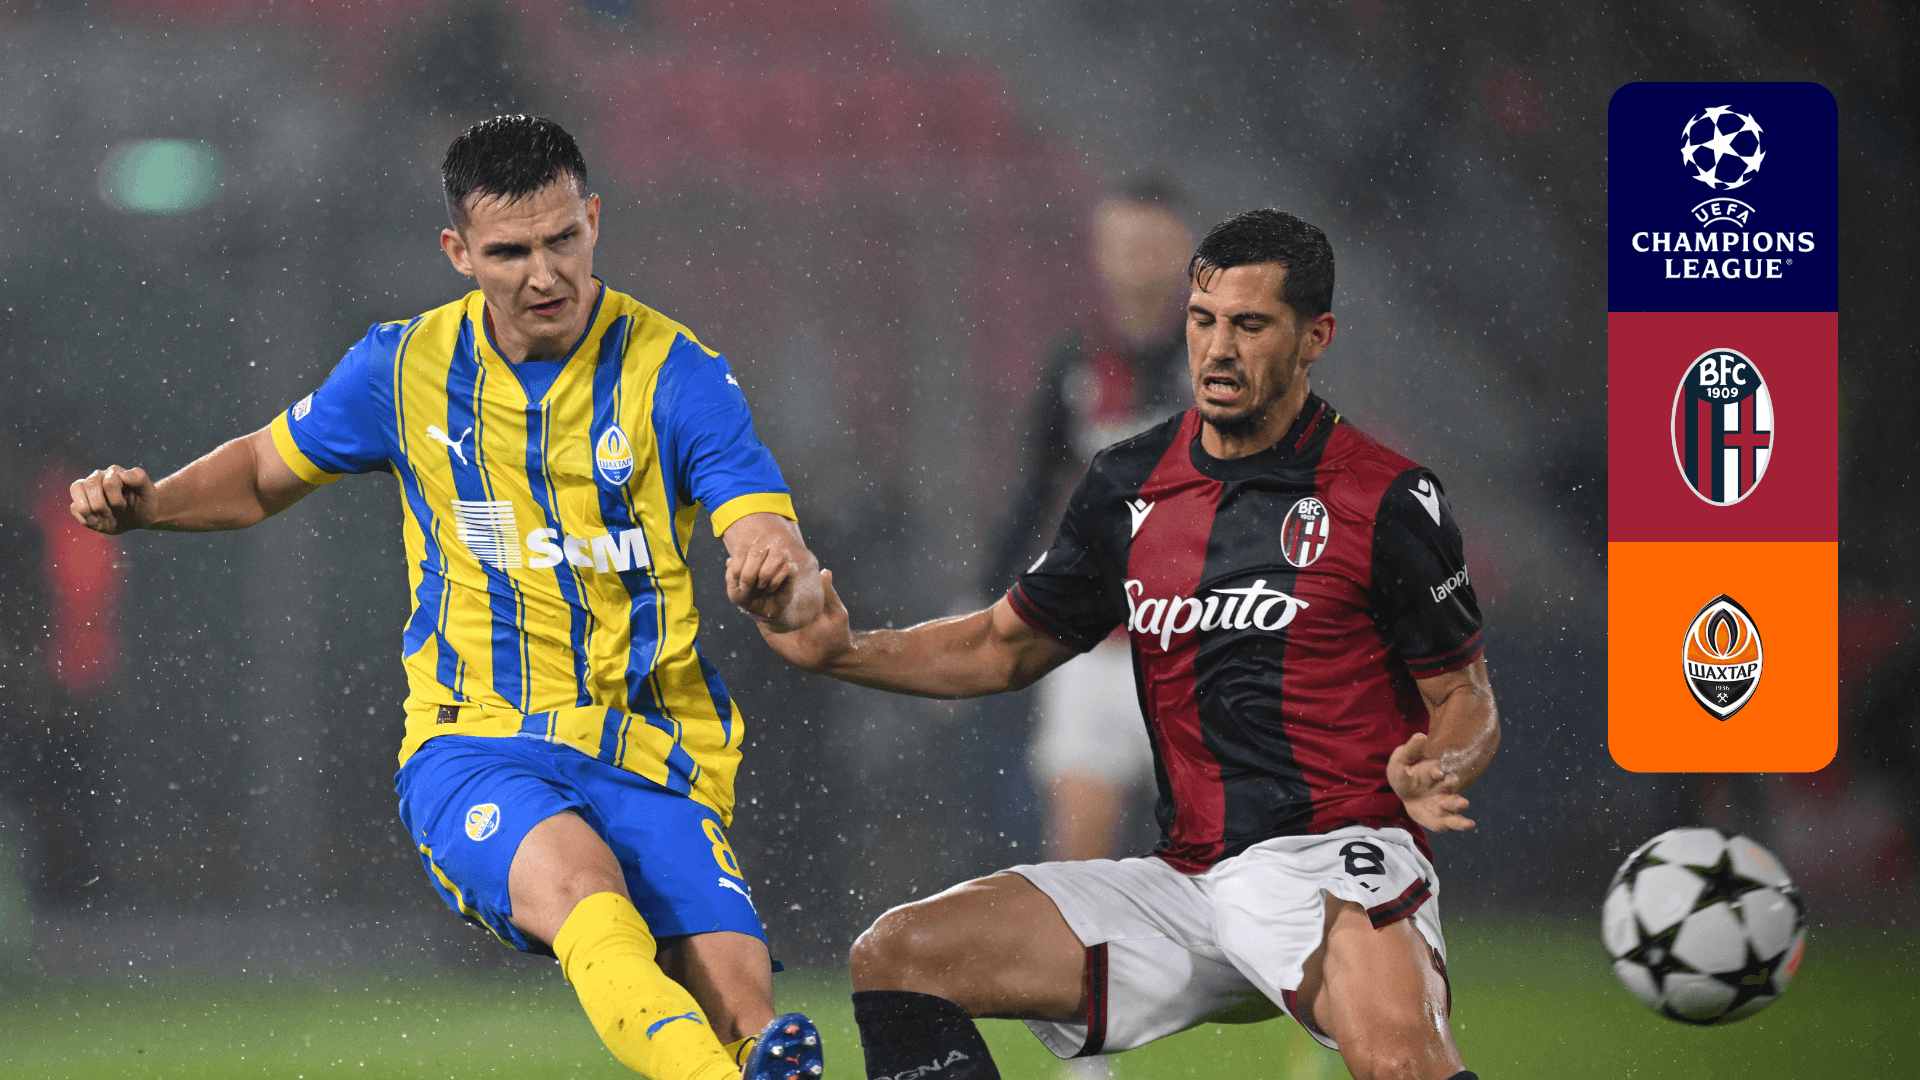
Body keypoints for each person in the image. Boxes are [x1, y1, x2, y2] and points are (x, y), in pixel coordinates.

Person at [68, 115, 825, 1080]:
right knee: (587, 896)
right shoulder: (405, 367)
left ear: (594, 220)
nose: (544, 275)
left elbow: (760, 519)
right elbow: (262, 470)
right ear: (459, 252)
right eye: (510, 252)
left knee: (744, 1018)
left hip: (653, 749)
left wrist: (767, 560)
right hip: (478, 741)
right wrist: (153, 506)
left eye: (563, 239)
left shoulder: (676, 373)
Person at [759, 209, 1499, 1080]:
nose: (1218, 349)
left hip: (1332, 857)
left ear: (1315, 338)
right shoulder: (1127, 483)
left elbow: (1466, 696)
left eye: (1250, 325)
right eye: (1203, 320)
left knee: (1402, 1062)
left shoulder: (1386, 497)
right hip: (1184, 881)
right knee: (899, 956)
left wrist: (1441, 764)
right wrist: (843, 652)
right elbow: (1002, 645)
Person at [989, 183, 1193, 885]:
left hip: (1203, 643)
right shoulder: (1075, 361)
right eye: (1122, 244)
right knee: (1077, 853)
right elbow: (1034, 490)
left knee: (1228, 857)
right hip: (1094, 645)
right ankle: (1089, 961)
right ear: (1100, 253)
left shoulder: (1224, 358)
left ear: (1183, 250)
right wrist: (985, 599)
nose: (1135, 260)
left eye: (1150, 243)